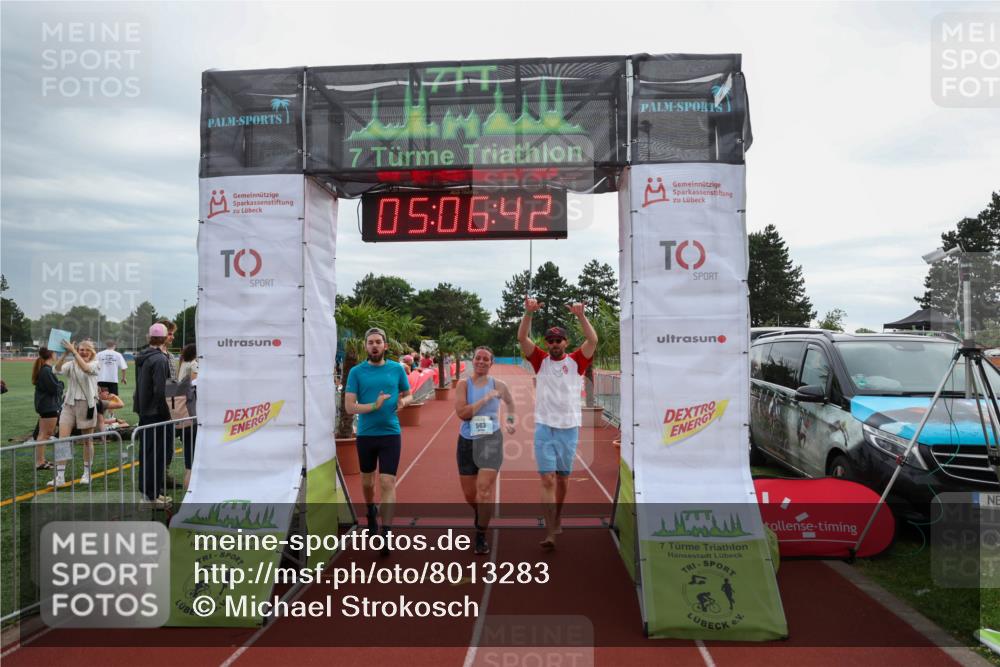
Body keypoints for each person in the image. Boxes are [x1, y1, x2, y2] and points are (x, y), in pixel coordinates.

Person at [518, 298, 598, 550]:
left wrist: (581, 316)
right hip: (544, 426)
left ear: (566, 342)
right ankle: (550, 529)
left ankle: (557, 516)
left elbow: (592, 340)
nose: (554, 344)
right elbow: (522, 338)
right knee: (548, 480)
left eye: (558, 340)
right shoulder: (540, 360)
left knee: (562, 480)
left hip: (569, 428)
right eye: (550, 340)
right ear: (546, 344)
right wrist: (528, 313)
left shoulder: (576, 361)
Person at [344, 327, 412, 555]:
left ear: (385, 346)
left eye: (378, 342)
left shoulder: (396, 369)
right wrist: (374, 405)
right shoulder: (356, 372)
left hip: (390, 433)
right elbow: (349, 407)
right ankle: (371, 509)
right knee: (367, 483)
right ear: (366, 346)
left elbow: (408, 394)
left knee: (387, 482)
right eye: (370, 342)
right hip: (366, 434)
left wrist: (403, 402)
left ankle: (386, 532)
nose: (374, 346)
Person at [454, 345, 516, 555]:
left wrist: (510, 421)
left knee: (484, 491)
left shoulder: (499, 385)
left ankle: (480, 534)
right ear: (473, 360)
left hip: (491, 440)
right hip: (467, 441)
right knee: (470, 495)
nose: (481, 361)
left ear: (492, 363)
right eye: (478, 358)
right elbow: (463, 413)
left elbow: (511, 404)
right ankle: (481, 515)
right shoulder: (463, 385)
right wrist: (486, 399)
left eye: (485, 359)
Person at [134, 323, 173, 507]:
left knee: (147, 455)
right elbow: (160, 391)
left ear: (149, 338)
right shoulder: (159, 359)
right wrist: (167, 414)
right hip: (156, 414)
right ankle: (151, 496)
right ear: (164, 338)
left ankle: (151, 493)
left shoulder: (143, 356)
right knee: (155, 456)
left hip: (145, 411)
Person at [52, 339, 100, 487]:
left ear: (92, 352)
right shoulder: (71, 364)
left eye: (87, 350)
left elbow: (86, 369)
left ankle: (87, 473)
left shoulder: (95, 363)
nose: (84, 352)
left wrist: (73, 352)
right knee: (62, 440)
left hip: (87, 404)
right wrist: (65, 354)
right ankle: (60, 476)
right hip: (69, 404)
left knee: (87, 441)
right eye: (81, 350)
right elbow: (56, 370)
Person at [31, 347, 63, 471]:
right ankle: (39, 462)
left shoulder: (46, 369)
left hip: (47, 405)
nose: (56, 355)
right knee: (45, 434)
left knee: (44, 434)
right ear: (51, 354)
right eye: (55, 352)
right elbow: (55, 389)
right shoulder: (46, 370)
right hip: (48, 406)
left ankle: (41, 460)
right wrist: (61, 384)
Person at [177, 343, 198, 490]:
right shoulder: (193, 364)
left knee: (188, 451)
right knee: (192, 453)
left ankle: (188, 484)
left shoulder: (183, 363)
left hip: (182, 411)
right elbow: (195, 384)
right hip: (191, 410)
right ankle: (190, 487)